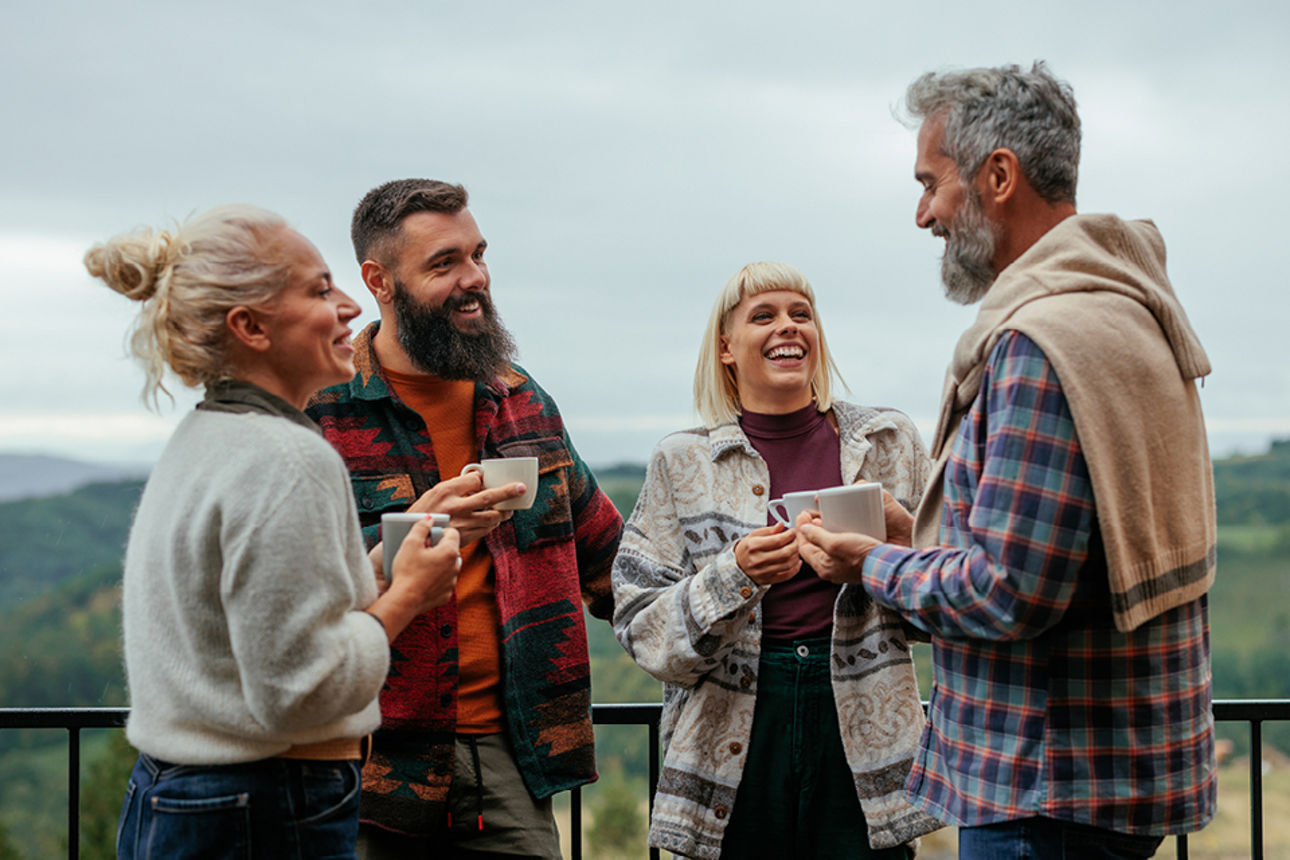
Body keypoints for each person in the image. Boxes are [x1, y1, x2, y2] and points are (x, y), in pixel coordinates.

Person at [798, 62, 1218, 859]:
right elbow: (1069, 548)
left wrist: (873, 565)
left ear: (998, 175)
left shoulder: (1040, 342)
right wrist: (918, 536)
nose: (923, 214)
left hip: (1042, 790)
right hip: (1121, 775)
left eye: (932, 183)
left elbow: (1010, 591)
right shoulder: (1131, 312)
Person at [89, 205, 465, 859]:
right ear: (250, 327)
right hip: (267, 807)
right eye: (320, 289)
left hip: (183, 796)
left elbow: (244, 630)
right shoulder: (289, 458)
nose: (351, 305)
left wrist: (374, 572)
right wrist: (408, 598)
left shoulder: (208, 436)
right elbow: (297, 691)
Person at [305, 178, 623, 858]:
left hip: (512, 755)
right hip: (365, 764)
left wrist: (737, 589)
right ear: (378, 281)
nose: (473, 279)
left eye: (477, 255)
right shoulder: (320, 411)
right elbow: (287, 601)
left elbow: (613, 564)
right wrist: (402, 542)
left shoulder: (521, 401)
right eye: (444, 263)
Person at [612, 261, 943, 859]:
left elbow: (952, 600)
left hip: (863, 723)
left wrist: (889, 551)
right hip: (734, 731)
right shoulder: (681, 462)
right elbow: (640, 627)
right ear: (726, 348)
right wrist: (734, 575)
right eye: (762, 316)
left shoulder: (889, 442)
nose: (787, 327)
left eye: (801, 314)